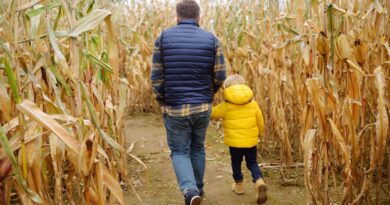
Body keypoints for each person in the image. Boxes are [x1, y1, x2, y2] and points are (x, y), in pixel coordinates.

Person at [150, 0, 226, 204]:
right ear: (198, 17)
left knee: (180, 150)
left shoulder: (163, 38)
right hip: (202, 106)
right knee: (198, 147)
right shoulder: (211, 39)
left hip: (175, 107)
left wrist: (161, 100)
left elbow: (156, 76)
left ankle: (190, 191)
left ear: (177, 16)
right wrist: (209, 94)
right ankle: (198, 190)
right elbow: (220, 75)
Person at [211, 74, 267, 204]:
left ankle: (239, 186)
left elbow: (212, 114)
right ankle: (259, 181)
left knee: (236, 162)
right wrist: (260, 134)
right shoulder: (253, 104)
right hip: (250, 141)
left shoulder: (225, 106)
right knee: (252, 162)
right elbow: (260, 121)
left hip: (234, 143)